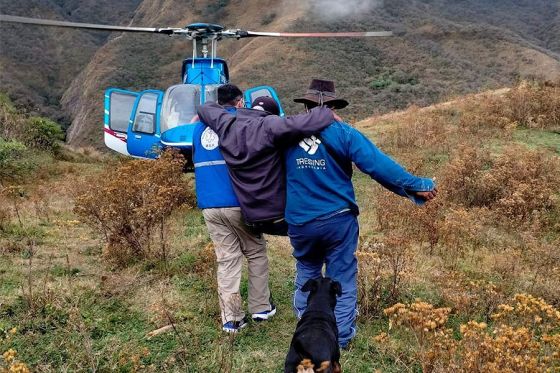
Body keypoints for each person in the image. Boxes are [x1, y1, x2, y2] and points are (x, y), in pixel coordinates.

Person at [285, 79, 438, 348]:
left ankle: (306, 329)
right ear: (331, 106)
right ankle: (341, 338)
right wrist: (418, 185)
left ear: (306, 106)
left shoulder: (285, 133)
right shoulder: (344, 133)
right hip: (338, 219)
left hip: (300, 221)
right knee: (341, 277)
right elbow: (379, 166)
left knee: (307, 271)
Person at [197, 86, 338, 235]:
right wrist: (326, 112)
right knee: (317, 234)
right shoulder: (269, 125)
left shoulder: (227, 124)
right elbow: (301, 124)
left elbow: (205, 108)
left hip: (251, 217)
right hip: (277, 217)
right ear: (271, 115)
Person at [192, 84, 276, 333]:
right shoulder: (238, 125)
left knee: (227, 259)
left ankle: (232, 319)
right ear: (240, 103)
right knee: (255, 251)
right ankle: (261, 308)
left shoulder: (198, 129)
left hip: (209, 205)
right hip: (237, 201)